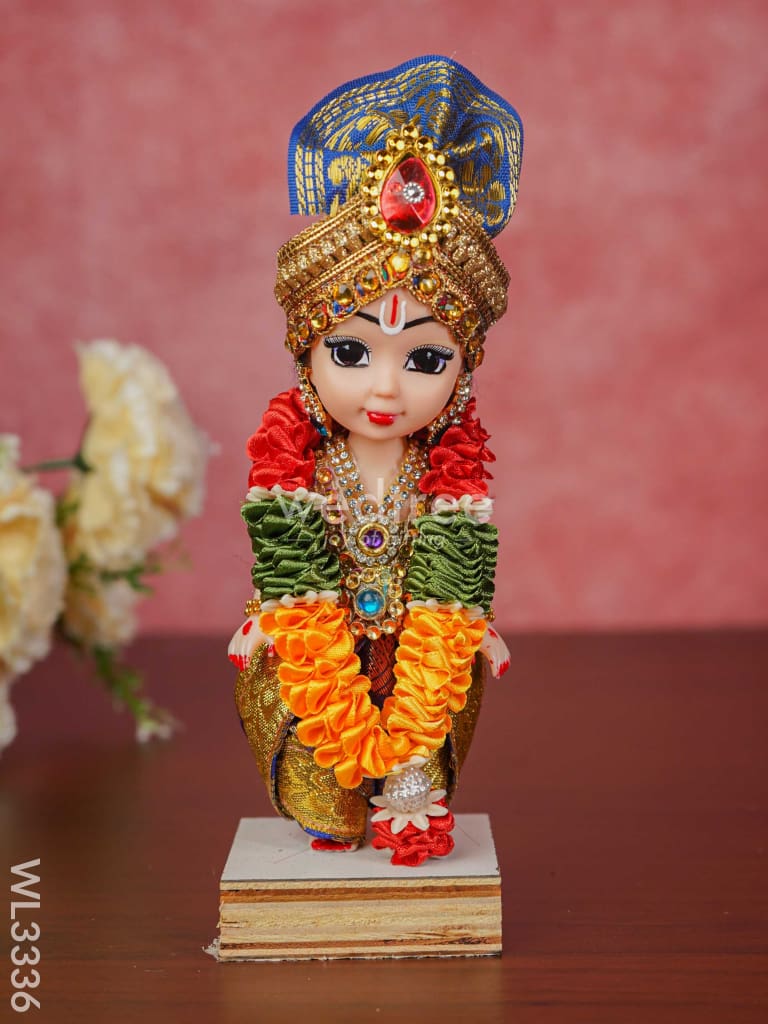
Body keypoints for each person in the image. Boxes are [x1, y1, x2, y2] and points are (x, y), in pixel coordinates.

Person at [228, 56, 522, 866]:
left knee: (427, 727)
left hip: (420, 644)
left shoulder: (448, 474)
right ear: (306, 351)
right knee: (319, 760)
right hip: (318, 645)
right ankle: (333, 811)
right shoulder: (301, 462)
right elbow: (287, 556)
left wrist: (468, 621)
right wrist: (276, 610)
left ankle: (409, 808)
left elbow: (457, 566)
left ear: (463, 371)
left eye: (424, 360)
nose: (385, 387)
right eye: (352, 352)